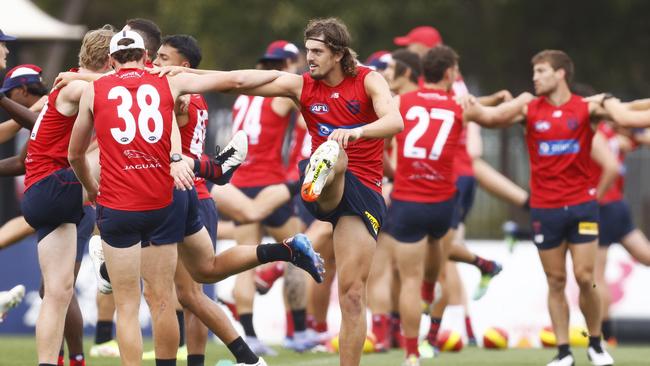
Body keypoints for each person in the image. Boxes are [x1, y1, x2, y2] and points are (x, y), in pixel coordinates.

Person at [68, 30, 324, 366]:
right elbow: (232, 81)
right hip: (170, 198)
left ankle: (218, 170)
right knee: (182, 292)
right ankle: (267, 236)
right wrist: (297, 81)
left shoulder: (95, 89)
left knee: (138, 304)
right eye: (155, 57)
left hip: (126, 202)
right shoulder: (170, 82)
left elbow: (75, 153)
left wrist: (91, 188)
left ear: (112, 60)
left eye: (164, 57)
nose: (160, 62)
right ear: (145, 56)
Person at [157, 18, 402, 366]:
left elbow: (395, 121)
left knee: (351, 293)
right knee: (333, 158)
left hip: (362, 191)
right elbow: (236, 80)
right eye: (307, 51)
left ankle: (330, 165)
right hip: (321, 184)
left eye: (317, 52)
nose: (310, 58)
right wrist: (180, 77)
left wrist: (357, 132)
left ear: (338, 53)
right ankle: (326, 167)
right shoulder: (299, 85)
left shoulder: (368, 78)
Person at [388, 45, 534, 366]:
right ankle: (431, 292)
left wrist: (393, 174)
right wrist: (523, 100)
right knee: (435, 272)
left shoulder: (399, 103)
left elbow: (383, 141)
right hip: (442, 204)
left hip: (407, 201)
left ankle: (412, 355)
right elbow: (497, 120)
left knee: (408, 282)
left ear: (423, 72)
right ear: (452, 73)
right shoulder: (459, 105)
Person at [478, 49, 616, 366]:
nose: (535, 77)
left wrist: (594, 196)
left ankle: (595, 343)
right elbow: (490, 119)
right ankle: (564, 351)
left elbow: (625, 117)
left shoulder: (585, 108)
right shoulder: (529, 110)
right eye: (534, 72)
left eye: (541, 71)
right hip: (545, 209)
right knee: (555, 281)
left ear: (560, 73)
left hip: (582, 207)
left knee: (585, 277)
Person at [0, 26, 115, 366]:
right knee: (118, 148)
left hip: (46, 196)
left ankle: (49, 362)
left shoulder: (64, 88)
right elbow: (116, 88)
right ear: (111, 60)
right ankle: (108, 237)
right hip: (56, 188)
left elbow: (28, 149)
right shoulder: (77, 85)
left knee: (57, 292)